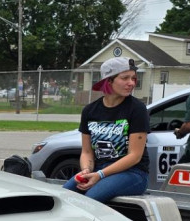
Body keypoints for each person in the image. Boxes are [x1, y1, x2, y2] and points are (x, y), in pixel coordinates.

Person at [62, 57, 149, 202]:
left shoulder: (137, 109)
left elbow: (135, 156)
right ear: (108, 80)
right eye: (125, 78)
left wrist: (100, 175)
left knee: (90, 200)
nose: (131, 83)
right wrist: (86, 170)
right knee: (64, 197)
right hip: (99, 170)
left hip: (133, 173)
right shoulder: (90, 111)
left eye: (134, 78)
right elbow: (87, 151)